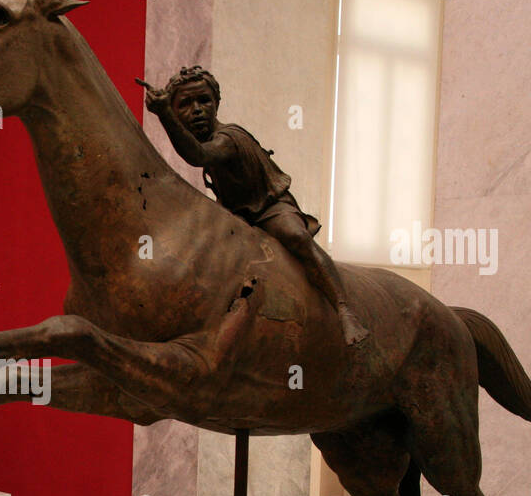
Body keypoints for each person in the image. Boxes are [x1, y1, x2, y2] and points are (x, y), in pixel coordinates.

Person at [142, 66, 369, 345]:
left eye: (204, 100)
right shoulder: (205, 139)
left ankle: (345, 310)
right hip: (234, 215)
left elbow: (197, 155)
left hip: (267, 208)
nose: (197, 110)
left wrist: (164, 114)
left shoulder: (228, 139)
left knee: (296, 237)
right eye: (185, 105)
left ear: (217, 103)